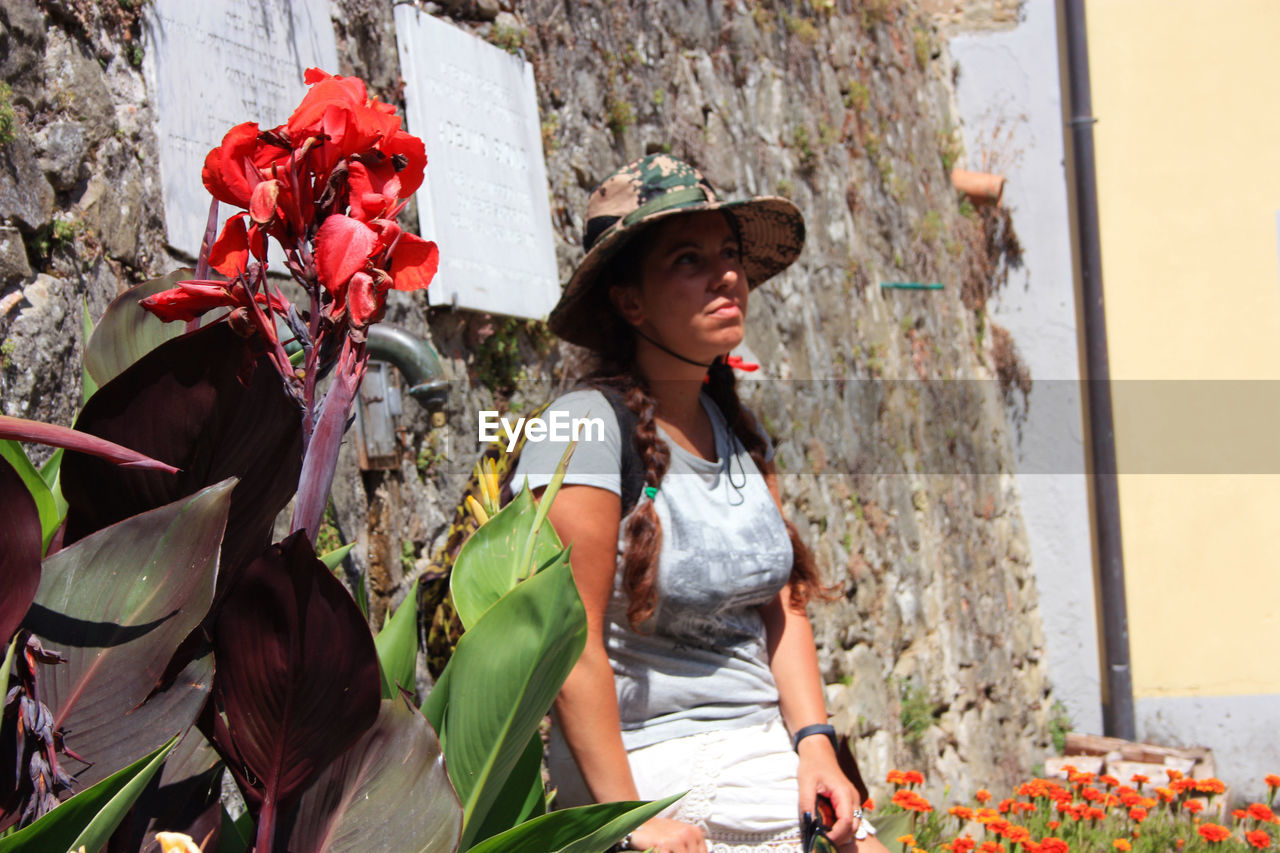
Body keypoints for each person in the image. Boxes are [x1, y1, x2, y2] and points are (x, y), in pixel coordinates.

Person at [512, 154, 889, 853]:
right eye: (689, 259)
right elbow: (569, 645)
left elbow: (782, 603)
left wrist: (815, 742)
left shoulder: (737, 430)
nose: (727, 276)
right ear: (630, 302)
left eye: (729, 255)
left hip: (771, 758)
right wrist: (629, 819)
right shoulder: (583, 431)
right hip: (656, 774)